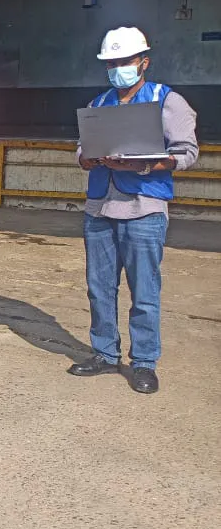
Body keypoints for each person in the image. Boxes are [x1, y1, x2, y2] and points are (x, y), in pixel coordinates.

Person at [70, 27, 198, 394]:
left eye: (124, 61)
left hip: (144, 208)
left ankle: (143, 362)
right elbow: (80, 151)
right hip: (100, 208)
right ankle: (105, 353)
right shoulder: (98, 105)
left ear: (144, 62)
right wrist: (88, 158)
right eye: (111, 63)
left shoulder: (167, 101)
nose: (117, 69)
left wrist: (142, 165)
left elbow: (187, 153)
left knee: (144, 291)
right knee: (99, 288)